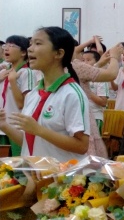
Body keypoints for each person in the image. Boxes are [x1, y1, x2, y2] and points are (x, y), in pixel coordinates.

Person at [0, 27, 92, 162]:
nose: (30, 49)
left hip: (61, 174)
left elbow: (82, 146)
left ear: (59, 53)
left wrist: (39, 130)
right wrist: (4, 125)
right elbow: (29, 141)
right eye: (30, 44)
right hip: (35, 171)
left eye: (38, 43)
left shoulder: (72, 93)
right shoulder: (33, 94)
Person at [0, 36, 37, 155]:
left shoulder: (26, 73)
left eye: (12, 46)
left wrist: (13, 81)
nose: (6, 48)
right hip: (2, 127)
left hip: (16, 128)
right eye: (5, 45)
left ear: (23, 52)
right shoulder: (3, 72)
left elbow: (23, 104)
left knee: (17, 163)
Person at [81, 50, 109, 135]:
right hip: (80, 117)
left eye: (88, 60)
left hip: (95, 117)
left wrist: (87, 91)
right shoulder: (80, 77)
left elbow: (103, 102)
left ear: (97, 62)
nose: (85, 63)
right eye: (83, 60)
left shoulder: (101, 79)